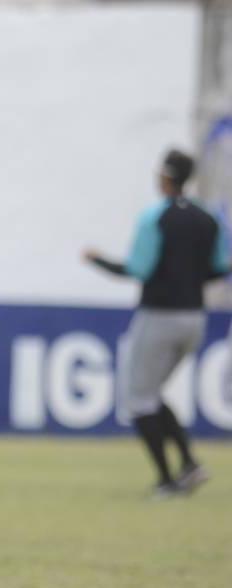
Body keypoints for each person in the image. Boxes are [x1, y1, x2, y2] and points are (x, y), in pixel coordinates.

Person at [83, 148, 229, 498]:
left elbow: (139, 268)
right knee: (150, 395)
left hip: (159, 316)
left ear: (165, 176)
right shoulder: (208, 218)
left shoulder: (155, 216)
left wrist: (97, 260)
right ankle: (189, 464)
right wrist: (188, 278)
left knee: (137, 400)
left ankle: (166, 480)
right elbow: (219, 267)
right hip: (194, 319)